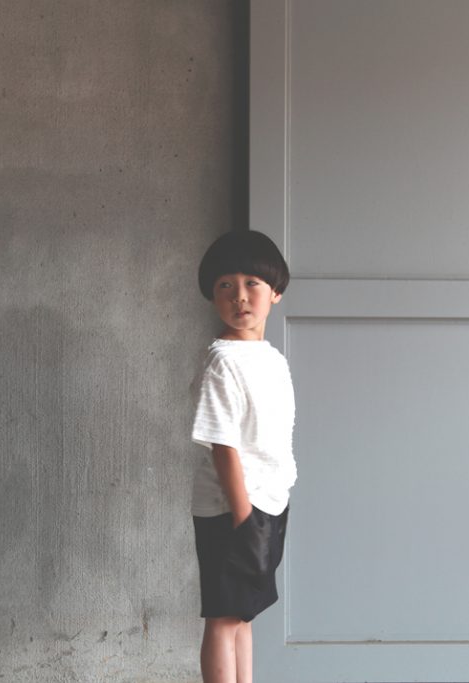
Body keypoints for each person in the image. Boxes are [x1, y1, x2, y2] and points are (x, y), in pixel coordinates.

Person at [190, 230, 297, 683]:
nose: (239, 296)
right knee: (223, 616)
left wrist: (269, 503)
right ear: (212, 296)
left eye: (252, 283)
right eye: (225, 286)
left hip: (267, 501)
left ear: (275, 292)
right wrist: (242, 515)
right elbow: (223, 445)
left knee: (243, 612)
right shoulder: (224, 361)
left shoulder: (270, 358)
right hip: (233, 508)